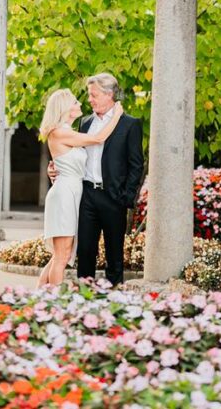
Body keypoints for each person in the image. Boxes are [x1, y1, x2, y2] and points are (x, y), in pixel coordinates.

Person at [48, 73, 144, 286]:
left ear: (109, 94)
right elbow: (69, 154)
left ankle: (115, 303)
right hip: (86, 195)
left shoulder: (130, 124)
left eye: (94, 95)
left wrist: (126, 198)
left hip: (114, 198)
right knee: (85, 252)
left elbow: (136, 165)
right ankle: (84, 301)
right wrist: (55, 168)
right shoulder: (85, 122)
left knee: (114, 256)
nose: (89, 99)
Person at [37, 87, 124, 286]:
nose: (80, 104)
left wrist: (54, 167)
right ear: (66, 107)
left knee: (59, 255)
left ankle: (38, 298)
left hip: (73, 192)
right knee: (62, 256)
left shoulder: (68, 132)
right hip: (65, 194)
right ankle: (54, 305)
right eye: (76, 102)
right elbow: (98, 139)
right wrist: (116, 115)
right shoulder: (59, 132)